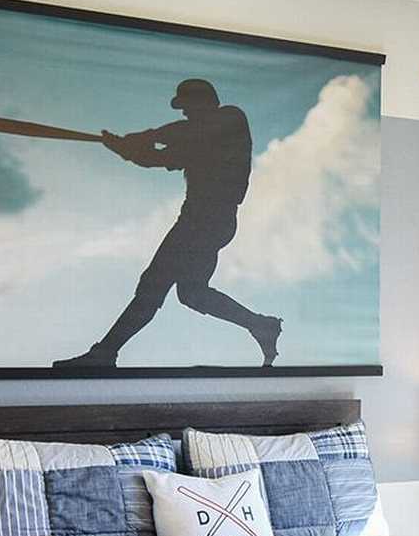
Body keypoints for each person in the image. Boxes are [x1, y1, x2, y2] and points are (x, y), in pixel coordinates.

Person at [54, 78, 282, 367]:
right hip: (206, 221)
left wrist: (145, 136)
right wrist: (123, 148)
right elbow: (156, 158)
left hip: (204, 221)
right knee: (192, 293)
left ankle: (105, 353)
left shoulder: (230, 119)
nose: (184, 112)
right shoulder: (196, 144)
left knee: (152, 286)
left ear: (204, 102)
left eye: (187, 106)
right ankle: (260, 325)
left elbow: (186, 132)